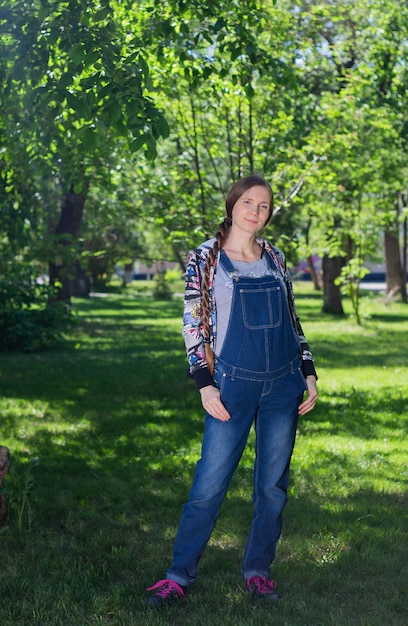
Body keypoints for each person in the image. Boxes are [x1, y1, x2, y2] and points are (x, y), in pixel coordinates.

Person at [146, 174, 318, 607]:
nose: (255, 211)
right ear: (232, 204)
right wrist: (204, 384)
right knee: (209, 483)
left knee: (272, 487)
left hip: (283, 384)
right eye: (248, 202)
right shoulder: (205, 258)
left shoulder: (275, 257)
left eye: (264, 205)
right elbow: (192, 324)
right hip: (230, 385)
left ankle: (258, 571)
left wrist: (308, 371)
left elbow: (293, 319)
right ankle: (178, 576)